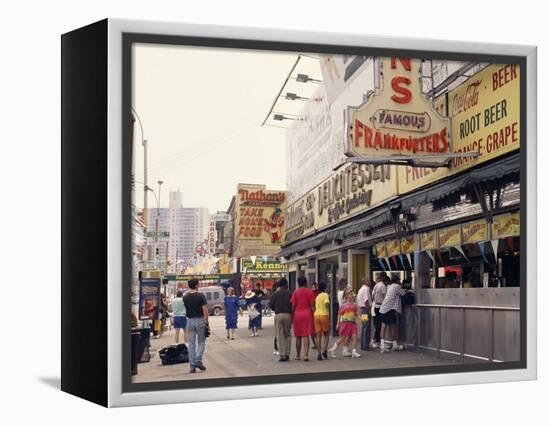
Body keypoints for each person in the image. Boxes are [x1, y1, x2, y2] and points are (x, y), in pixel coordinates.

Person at [182, 279, 209, 373]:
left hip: (189, 321)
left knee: (191, 344)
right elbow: (205, 310)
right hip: (200, 320)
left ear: (189, 285)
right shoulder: (201, 296)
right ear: (197, 285)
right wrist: (206, 322)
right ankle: (198, 359)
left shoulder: (185, 297)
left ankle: (192, 367)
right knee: (201, 342)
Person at [328, 288, 361, 358]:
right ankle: (333, 349)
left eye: (352, 294)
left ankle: (354, 351)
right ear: (346, 296)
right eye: (350, 294)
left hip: (353, 324)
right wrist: (337, 324)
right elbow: (339, 314)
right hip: (345, 324)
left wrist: (361, 318)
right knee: (343, 338)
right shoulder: (343, 305)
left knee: (354, 337)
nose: (351, 295)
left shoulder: (355, 305)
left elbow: (357, 314)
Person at [379, 273, 407, 352]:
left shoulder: (390, 286)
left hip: (383, 308)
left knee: (383, 326)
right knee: (393, 326)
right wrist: (405, 288)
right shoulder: (397, 286)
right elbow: (403, 293)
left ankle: (382, 346)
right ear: (398, 280)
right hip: (390, 309)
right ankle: (395, 345)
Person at [290, 276, 315, 361]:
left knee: (298, 336)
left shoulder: (295, 292)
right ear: (305, 282)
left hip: (298, 315)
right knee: (306, 335)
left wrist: (292, 315)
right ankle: (306, 355)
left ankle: (297, 355)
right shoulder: (310, 291)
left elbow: (293, 305)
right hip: (307, 315)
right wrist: (313, 314)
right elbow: (312, 305)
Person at [269, 278, 293, 362]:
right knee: (288, 334)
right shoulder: (290, 293)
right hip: (288, 315)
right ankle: (287, 354)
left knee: (280, 335)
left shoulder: (275, 294)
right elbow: (293, 304)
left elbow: (271, 305)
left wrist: (276, 308)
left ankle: (282, 355)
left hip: (278, 315)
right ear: (285, 284)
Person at [313, 282, 331, 360]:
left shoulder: (317, 296)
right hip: (324, 315)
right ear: (325, 288)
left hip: (316, 315)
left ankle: (319, 354)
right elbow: (326, 304)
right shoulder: (325, 295)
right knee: (326, 334)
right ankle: (325, 351)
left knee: (318, 336)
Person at [371, 272, 388, 349]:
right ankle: (377, 342)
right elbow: (385, 297)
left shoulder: (376, 285)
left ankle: (375, 341)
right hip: (381, 306)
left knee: (377, 325)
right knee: (380, 325)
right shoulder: (383, 286)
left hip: (375, 306)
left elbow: (372, 296)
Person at [356, 277, 373, 350]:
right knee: (367, 327)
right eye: (368, 280)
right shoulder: (366, 289)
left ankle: (363, 345)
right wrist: (368, 309)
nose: (370, 282)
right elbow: (366, 301)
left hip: (362, 309)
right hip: (365, 309)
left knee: (364, 327)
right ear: (365, 282)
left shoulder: (361, 289)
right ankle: (366, 345)